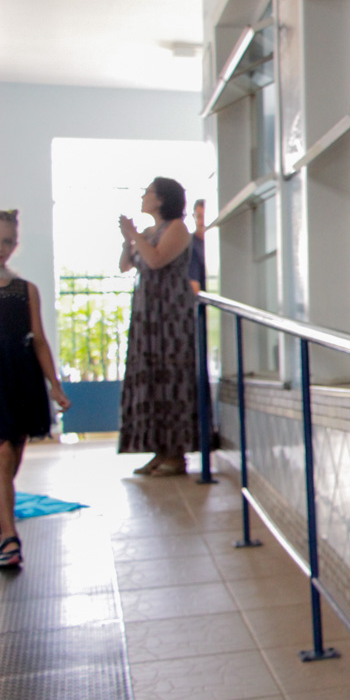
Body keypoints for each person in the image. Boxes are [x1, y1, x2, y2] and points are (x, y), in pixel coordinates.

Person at [0, 210, 71, 568]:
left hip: (20, 378)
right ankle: (8, 537)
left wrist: (55, 387)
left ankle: (3, 524)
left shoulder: (26, 290)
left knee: (12, 457)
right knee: (2, 455)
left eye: (9, 241)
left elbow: (40, 341)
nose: (3, 248)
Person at [117, 177, 198, 477]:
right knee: (149, 379)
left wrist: (135, 235)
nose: (143, 196)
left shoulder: (176, 228)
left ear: (162, 199)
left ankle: (175, 452)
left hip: (169, 316)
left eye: (148, 192)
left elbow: (156, 260)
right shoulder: (149, 231)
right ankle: (158, 448)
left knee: (171, 378)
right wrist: (130, 240)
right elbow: (126, 265)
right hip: (147, 314)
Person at [188, 198, 207, 295]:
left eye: (205, 217)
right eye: (199, 216)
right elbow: (194, 288)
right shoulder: (190, 245)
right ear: (193, 216)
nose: (202, 222)